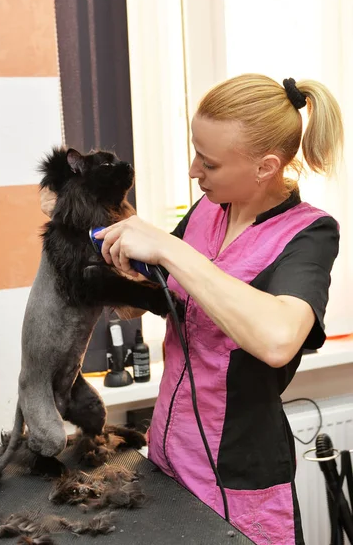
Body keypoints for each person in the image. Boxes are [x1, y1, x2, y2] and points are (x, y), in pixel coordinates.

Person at [41, 74, 342, 545]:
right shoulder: (207, 210)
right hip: (166, 454)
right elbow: (166, 292)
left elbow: (279, 339)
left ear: (265, 167)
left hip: (239, 478)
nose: (192, 170)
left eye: (210, 161)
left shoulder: (309, 235)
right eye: (195, 150)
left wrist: (170, 249)